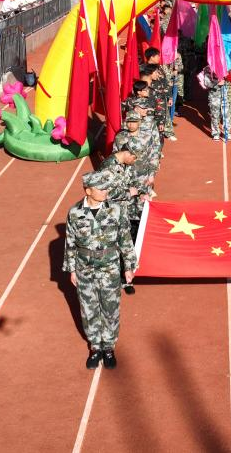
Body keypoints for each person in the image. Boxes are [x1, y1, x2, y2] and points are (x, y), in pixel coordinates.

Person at [62, 170, 136, 369]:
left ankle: (109, 347)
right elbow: (70, 242)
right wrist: (72, 270)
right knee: (88, 309)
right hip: (84, 267)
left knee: (111, 308)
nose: (105, 191)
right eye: (101, 188)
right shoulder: (74, 212)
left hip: (110, 266)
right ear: (88, 191)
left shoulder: (116, 210)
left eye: (106, 188)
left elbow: (125, 239)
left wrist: (129, 266)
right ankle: (95, 347)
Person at [100, 148, 143, 295]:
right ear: (127, 153)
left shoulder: (122, 164)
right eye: (134, 158)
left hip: (123, 213)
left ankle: (126, 279)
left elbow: (126, 183)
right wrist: (128, 193)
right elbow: (104, 192)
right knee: (111, 246)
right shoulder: (108, 166)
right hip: (111, 214)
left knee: (125, 245)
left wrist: (140, 192)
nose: (134, 161)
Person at [201, 65, 231, 142]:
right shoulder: (208, 68)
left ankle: (227, 132)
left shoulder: (226, 66)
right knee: (215, 114)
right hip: (214, 96)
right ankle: (215, 133)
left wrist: (225, 81)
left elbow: (230, 80)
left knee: (226, 114)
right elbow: (207, 83)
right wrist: (217, 82)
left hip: (225, 94)